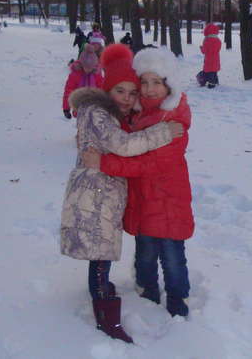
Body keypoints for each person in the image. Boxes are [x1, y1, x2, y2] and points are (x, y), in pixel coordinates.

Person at [60, 43, 184, 344]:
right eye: (121, 91)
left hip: (104, 197)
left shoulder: (112, 114)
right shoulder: (97, 112)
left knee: (101, 253)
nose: (128, 98)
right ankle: (106, 314)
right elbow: (124, 146)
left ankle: (102, 293)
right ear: (107, 89)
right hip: (94, 198)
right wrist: (161, 133)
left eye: (132, 92)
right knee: (100, 255)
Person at [83, 47, 194, 318]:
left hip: (168, 201)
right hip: (142, 200)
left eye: (157, 82)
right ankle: (146, 289)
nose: (149, 88)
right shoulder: (137, 115)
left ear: (170, 84)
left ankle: (178, 297)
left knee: (172, 256)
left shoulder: (174, 119)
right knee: (144, 252)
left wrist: (104, 163)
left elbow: (148, 164)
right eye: (144, 82)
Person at [62, 44, 104, 119]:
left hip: (94, 110)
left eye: (90, 67)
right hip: (79, 109)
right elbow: (68, 91)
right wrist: (66, 108)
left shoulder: (97, 75)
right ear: (81, 64)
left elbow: (102, 91)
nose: (87, 70)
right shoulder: (75, 75)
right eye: (85, 67)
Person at [197, 23, 221, 89]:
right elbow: (218, 49)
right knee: (214, 70)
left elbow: (204, 51)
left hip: (209, 59)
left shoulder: (206, 40)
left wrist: (201, 48)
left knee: (209, 71)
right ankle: (216, 81)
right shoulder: (218, 40)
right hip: (216, 58)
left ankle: (211, 83)